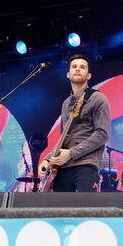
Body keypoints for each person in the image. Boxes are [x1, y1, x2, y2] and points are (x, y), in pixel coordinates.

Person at [38, 54, 111, 192]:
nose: (77, 69)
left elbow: (102, 134)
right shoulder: (66, 103)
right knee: (61, 212)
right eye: (74, 67)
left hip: (86, 165)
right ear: (68, 74)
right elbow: (63, 138)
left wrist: (71, 153)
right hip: (63, 167)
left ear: (88, 75)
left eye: (82, 67)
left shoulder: (98, 98)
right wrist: (47, 159)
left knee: (84, 210)